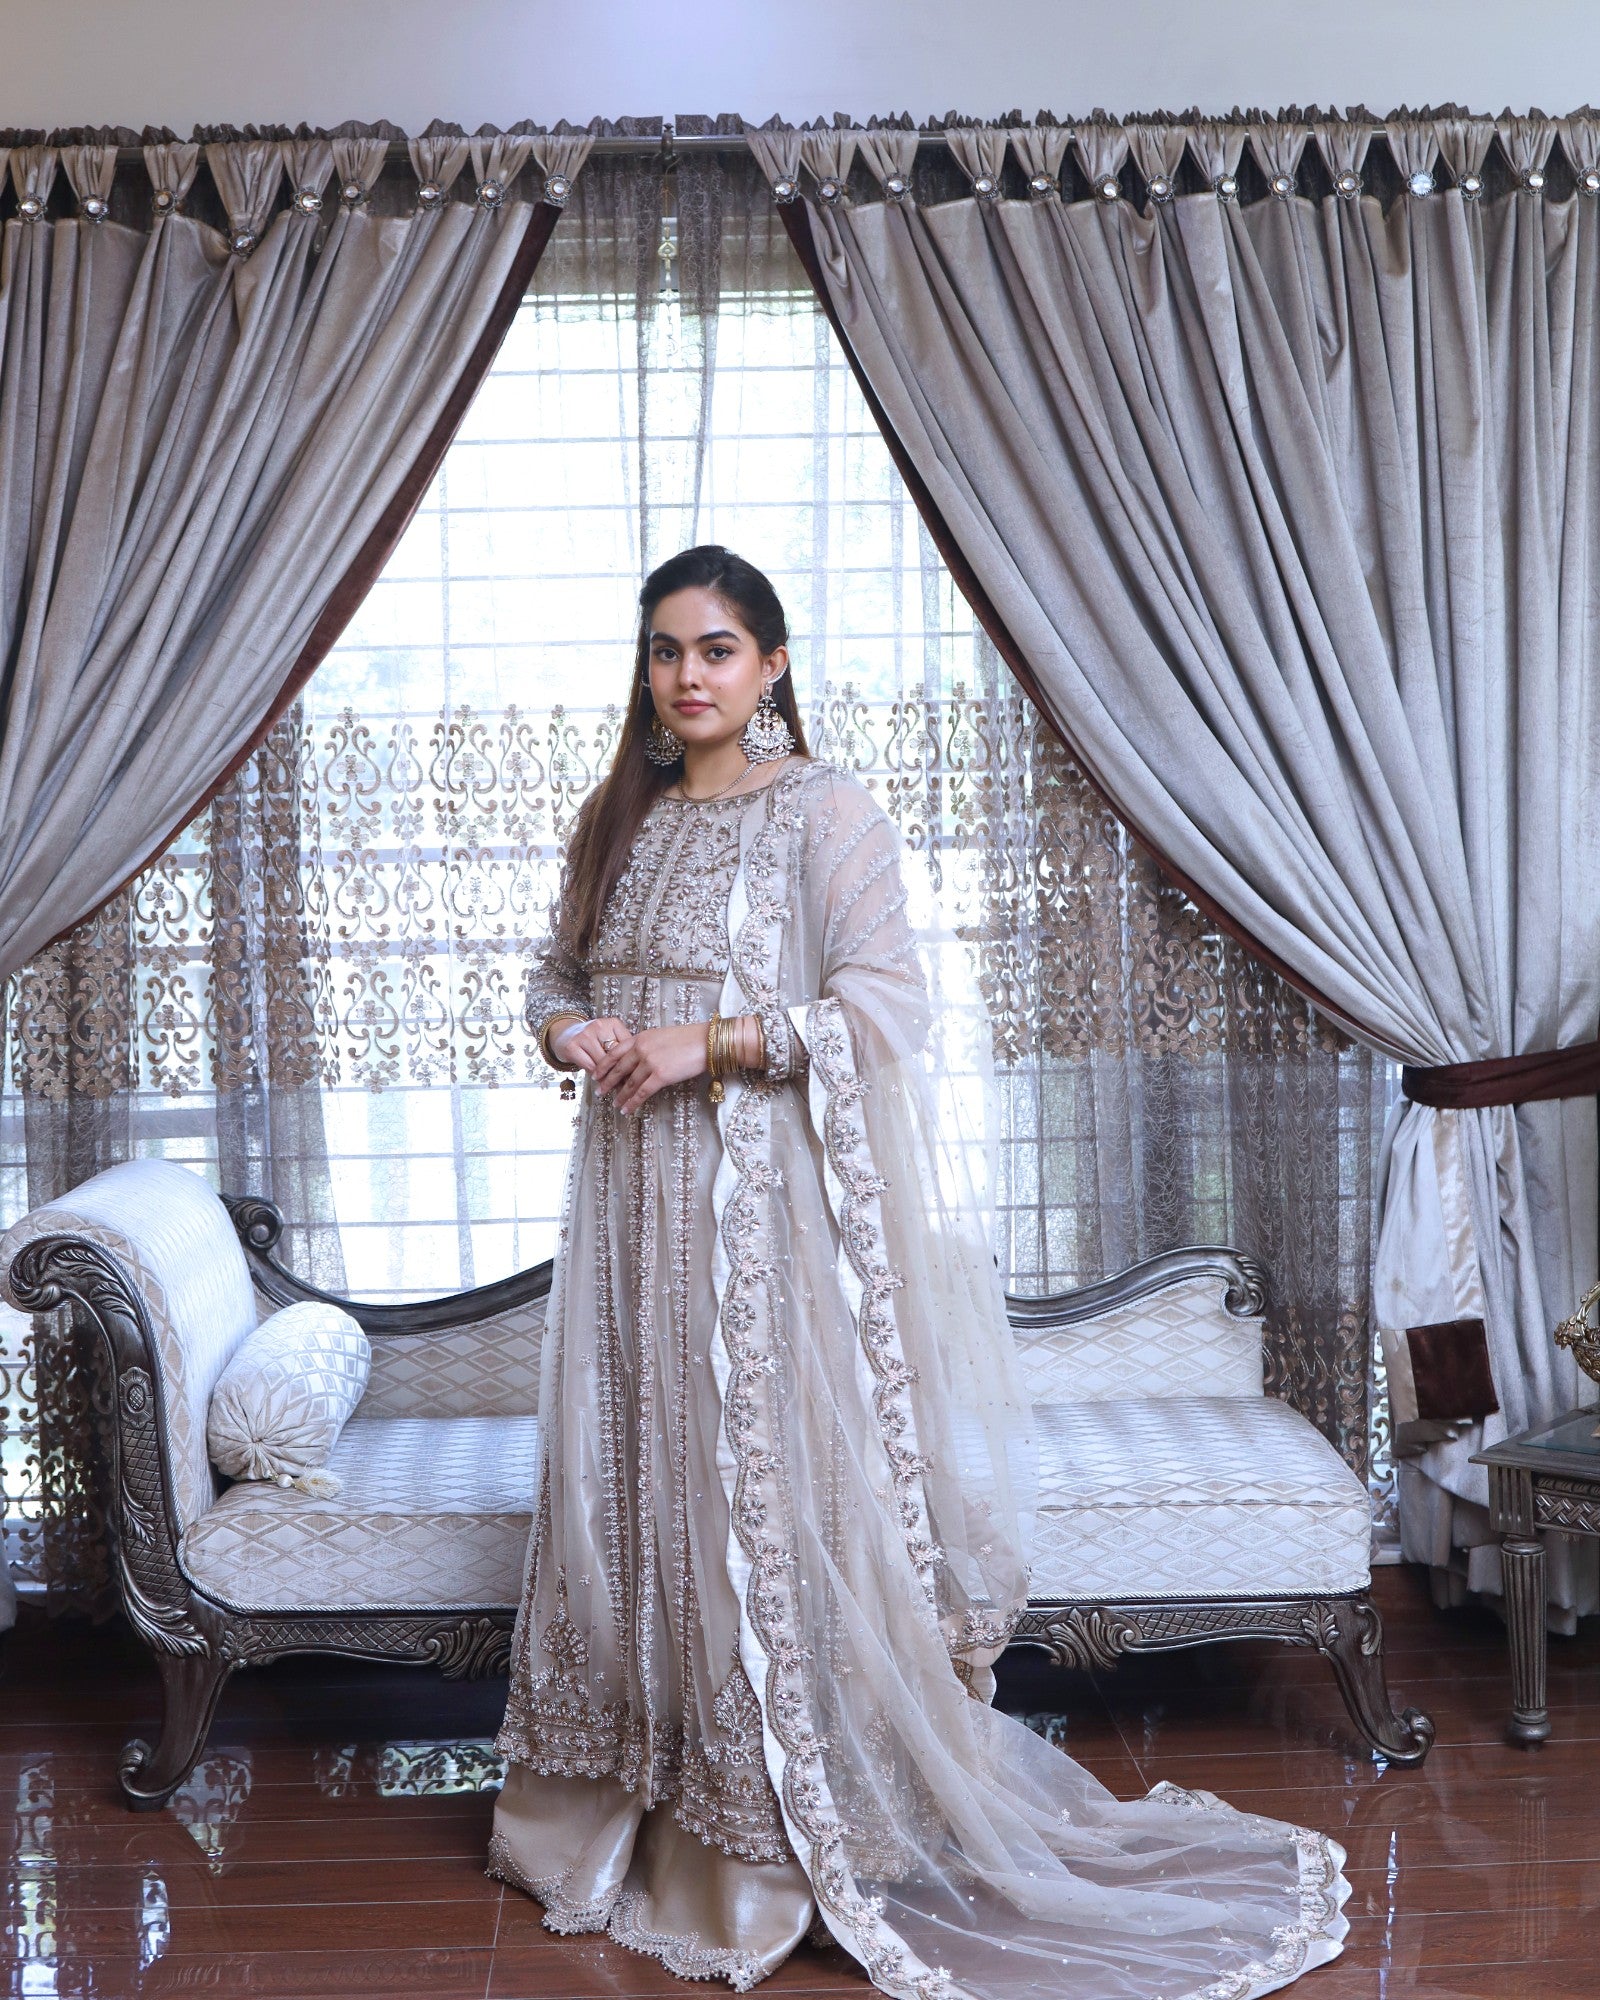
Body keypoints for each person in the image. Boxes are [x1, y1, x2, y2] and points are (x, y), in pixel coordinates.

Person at [490, 545, 1351, 1999]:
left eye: (715, 649)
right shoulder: (617, 817)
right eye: (662, 652)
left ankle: (770, 1827)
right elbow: (551, 980)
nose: (686, 675)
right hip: (629, 1209)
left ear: (772, 663)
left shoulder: (825, 814)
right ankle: (636, 1795)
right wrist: (576, 1034)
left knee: (751, 1496)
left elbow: (889, 1006)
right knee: (643, 1492)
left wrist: (713, 1044)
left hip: (758, 1225)